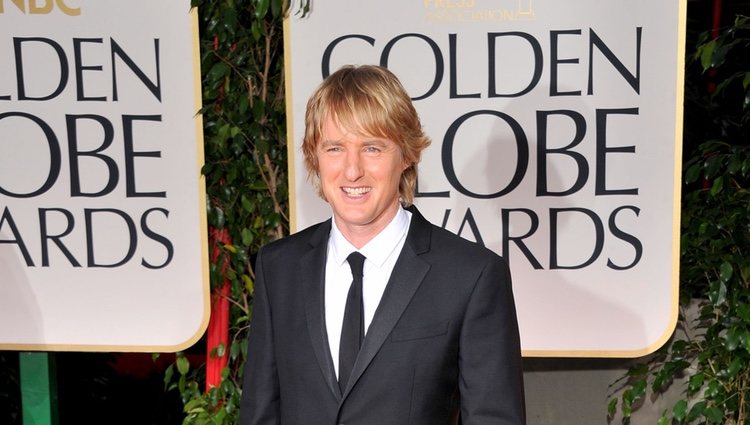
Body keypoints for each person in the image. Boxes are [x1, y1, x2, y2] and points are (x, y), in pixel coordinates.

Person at [239, 64, 525, 425]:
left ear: (406, 155)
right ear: (314, 157)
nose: (352, 170)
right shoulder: (277, 268)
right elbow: (259, 414)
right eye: (334, 148)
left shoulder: (472, 276)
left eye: (372, 148)